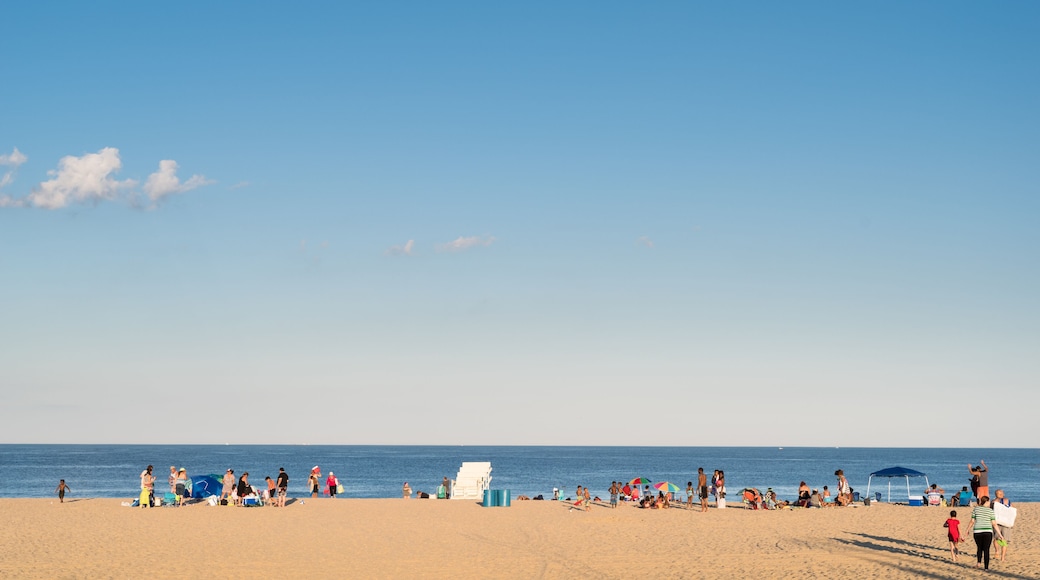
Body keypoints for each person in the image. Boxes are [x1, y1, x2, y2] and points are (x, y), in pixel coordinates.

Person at [967, 495, 1003, 570]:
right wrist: (1000, 534)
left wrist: (967, 530)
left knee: (979, 548)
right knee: (986, 549)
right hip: (987, 531)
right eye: (989, 501)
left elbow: (972, 521)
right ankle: (986, 567)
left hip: (977, 531)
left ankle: (978, 563)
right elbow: (994, 524)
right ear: (986, 502)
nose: (989, 503)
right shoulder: (990, 511)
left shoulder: (976, 509)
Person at [992, 489, 1012, 562]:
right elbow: (1012, 509)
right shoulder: (1007, 500)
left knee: (996, 538)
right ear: (1002, 494)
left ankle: (997, 551)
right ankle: (1002, 558)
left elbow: (991, 511)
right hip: (1006, 522)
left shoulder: (993, 502)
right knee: (1004, 540)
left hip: (996, 522)